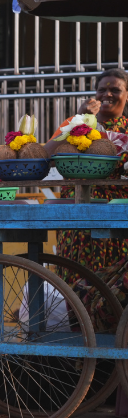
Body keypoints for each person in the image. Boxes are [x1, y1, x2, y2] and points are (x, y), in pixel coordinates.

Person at [48, 68, 128, 322]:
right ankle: (78, 343)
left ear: (126, 95)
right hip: (76, 219)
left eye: (115, 89)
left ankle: (109, 344)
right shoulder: (76, 124)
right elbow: (46, 154)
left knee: (111, 290)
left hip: (115, 220)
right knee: (74, 279)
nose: (107, 94)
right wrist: (79, 118)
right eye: (102, 89)